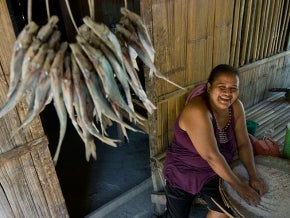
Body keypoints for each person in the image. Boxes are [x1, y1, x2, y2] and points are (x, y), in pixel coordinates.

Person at [162, 64, 267, 218]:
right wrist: (239, 186)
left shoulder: (236, 107)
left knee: (226, 212)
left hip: (214, 174)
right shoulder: (197, 110)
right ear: (209, 87)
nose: (227, 93)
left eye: (233, 88)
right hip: (183, 172)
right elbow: (212, 156)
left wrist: (253, 176)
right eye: (222, 86)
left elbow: (244, 143)